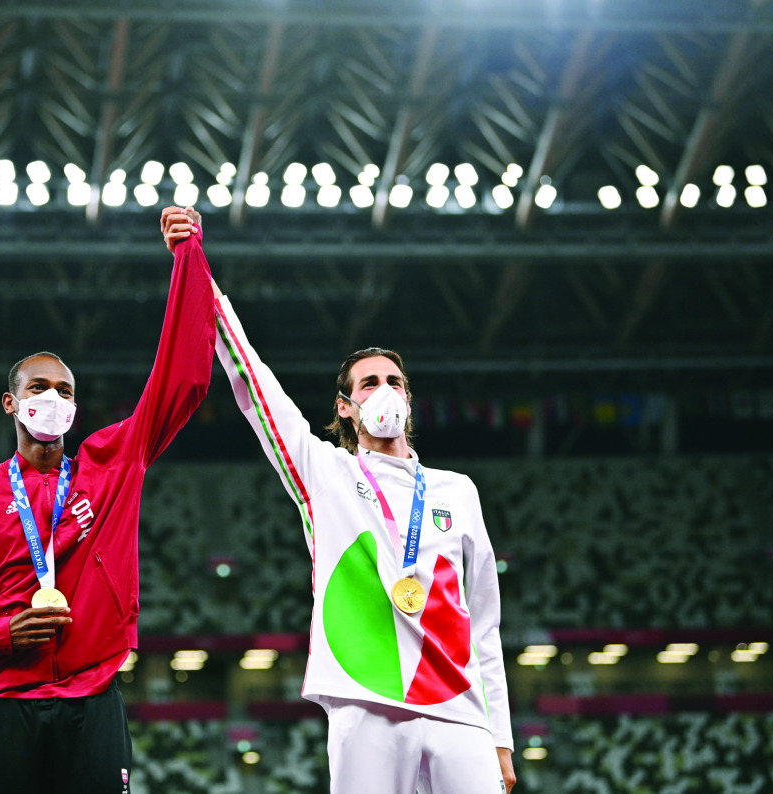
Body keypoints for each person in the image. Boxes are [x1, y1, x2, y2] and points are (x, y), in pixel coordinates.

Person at [161, 206, 516, 794]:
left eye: (394, 382)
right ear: (346, 408)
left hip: (459, 705)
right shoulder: (325, 472)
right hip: (363, 700)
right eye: (368, 384)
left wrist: (500, 735)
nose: (384, 391)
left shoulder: (458, 490)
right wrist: (195, 267)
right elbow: (252, 383)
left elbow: (485, 622)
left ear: (409, 398)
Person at [0, 211, 214, 794]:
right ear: (11, 403)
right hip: (6, 701)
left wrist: (187, 259)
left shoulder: (114, 464)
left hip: (94, 699)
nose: (53, 398)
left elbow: (183, 377)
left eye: (65, 391)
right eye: (39, 388)